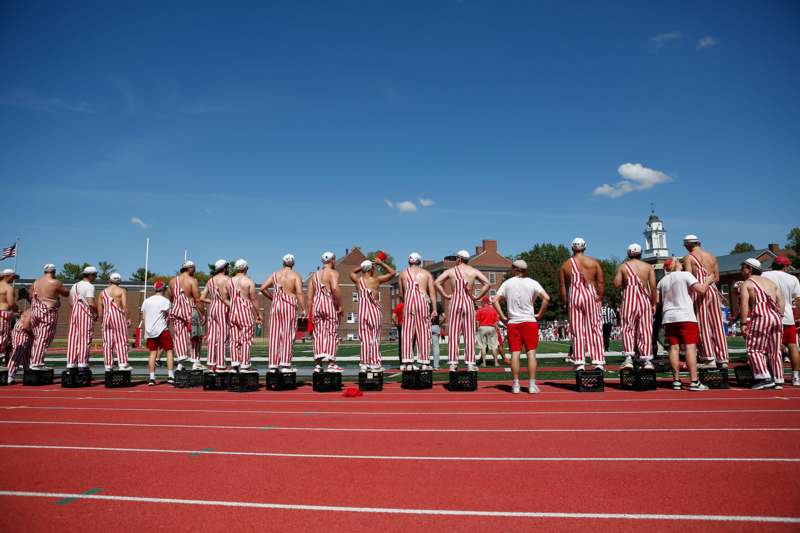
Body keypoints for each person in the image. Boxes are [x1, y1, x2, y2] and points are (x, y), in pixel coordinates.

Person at [493, 259, 550, 394]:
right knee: (531, 353)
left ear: (514, 269)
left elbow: (495, 300)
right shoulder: (533, 283)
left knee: (515, 353)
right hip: (529, 321)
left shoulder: (507, 283)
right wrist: (540, 314)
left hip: (513, 322)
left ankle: (516, 384)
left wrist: (502, 316)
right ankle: (531, 384)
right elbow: (546, 298)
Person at [657, 257, 713, 391]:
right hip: (685, 315)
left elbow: (658, 301)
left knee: (673, 348)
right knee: (690, 348)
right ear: (676, 265)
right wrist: (708, 280)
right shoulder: (686, 275)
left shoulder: (662, 281)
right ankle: (694, 381)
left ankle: (676, 380)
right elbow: (701, 290)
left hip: (669, 316)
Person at [435, 250, 491, 372]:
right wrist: (478, 297)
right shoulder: (473, 271)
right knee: (469, 333)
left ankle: (453, 363)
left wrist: (445, 295)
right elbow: (487, 283)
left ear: (459, 259)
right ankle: (470, 363)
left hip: (455, 301)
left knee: (454, 333)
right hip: (468, 301)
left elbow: (437, 282)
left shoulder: (451, 271)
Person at [683, 235, 729, 369]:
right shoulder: (712, 256)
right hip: (713, 291)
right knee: (717, 325)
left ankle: (708, 357)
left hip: (699, 292)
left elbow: (689, 279)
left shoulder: (689, 258)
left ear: (687, 245)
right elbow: (717, 278)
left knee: (702, 325)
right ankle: (723, 358)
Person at [559, 238, 605, 371]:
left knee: (577, 329)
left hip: (574, 295)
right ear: (585, 248)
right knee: (595, 328)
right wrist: (599, 297)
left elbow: (562, 286)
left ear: (572, 248)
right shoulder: (593, 262)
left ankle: (579, 362)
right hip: (590, 294)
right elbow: (600, 282)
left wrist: (564, 303)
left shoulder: (566, 264)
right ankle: (598, 361)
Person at [740, 258, 785, 390]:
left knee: (754, 349)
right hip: (776, 316)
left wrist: (744, 323)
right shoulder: (770, 282)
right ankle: (778, 378)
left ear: (749, 269)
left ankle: (763, 377)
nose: (741, 270)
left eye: (743, 267)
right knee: (774, 350)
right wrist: (780, 315)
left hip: (761, 315)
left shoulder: (747, 283)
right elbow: (780, 300)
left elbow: (744, 304)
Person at [614, 243, 657, 370]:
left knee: (627, 328)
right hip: (644, 301)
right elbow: (653, 287)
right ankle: (647, 359)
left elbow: (616, 284)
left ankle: (628, 358)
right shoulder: (648, 267)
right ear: (641, 253)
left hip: (629, 300)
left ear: (628, 254)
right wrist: (654, 303)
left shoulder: (624, 266)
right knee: (645, 330)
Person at [262, 254, 306, 372]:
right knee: (288, 334)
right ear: (293, 264)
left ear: (282, 262)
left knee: (275, 335)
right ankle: (286, 365)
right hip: (289, 304)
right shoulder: (295, 275)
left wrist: (272, 298)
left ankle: (273, 365)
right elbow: (300, 292)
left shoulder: (275, 274)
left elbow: (262, 288)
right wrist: (303, 308)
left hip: (276, 304)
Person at [350, 257, 395, 371]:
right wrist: (381, 263)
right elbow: (392, 273)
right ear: (371, 269)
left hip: (362, 311)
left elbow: (352, 272)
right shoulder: (376, 280)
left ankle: (364, 364)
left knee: (364, 339)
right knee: (375, 337)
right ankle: (375, 363)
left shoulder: (358, 280)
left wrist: (364, 265)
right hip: (373, 310)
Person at [762, 255, 800, 386]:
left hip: (769, 315)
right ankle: (796, 377)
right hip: (787, 316)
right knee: (792, 345)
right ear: (785, 266)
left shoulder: (765, 275)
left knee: (772, 347)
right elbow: (798, 299)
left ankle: (775, 375)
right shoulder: (792, 278)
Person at [399, 252, 437, 370]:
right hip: (422, 300)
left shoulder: (402, 274)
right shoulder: (426, 274)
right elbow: (432, 293)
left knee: (407, 332)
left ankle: (408, 362)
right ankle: (425, 362)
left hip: (409, 301)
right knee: (424, 331)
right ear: (419, 261)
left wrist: (408, 301)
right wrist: (434, 309)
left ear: (409, 261)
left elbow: (401, 294)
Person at [307, 251, 343, 372]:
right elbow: (334, 288)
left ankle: (318, 364)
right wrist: (340, 305)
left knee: (318, 334)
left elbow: (309, 295)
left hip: (317, 304)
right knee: (332, 332)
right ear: (332, 260)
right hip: (328, 304)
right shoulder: (333, 273)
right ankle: (331, 363)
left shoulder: (315, 275)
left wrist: (310, 310)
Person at [29, 264, 69, 370]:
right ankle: (36, 363)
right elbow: (66, 293)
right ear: (54, 272)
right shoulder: (55, 282)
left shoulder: (36, 282)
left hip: (35, 311)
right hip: (48, 311)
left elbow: (30, 295)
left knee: (37, 337)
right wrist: (56, 298)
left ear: (44, 271)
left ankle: (35, 361)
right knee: (44, 338)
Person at [168, 260, 205, 371]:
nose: (195, 270)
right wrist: (202, 314)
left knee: (179, 335)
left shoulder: (172, 281)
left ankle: (180, 362)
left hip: (176, 310)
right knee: (195, 335)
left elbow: (170, 297)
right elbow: (197, 299)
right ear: (189, 268)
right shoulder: (192, 280)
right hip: (189, 310)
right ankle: (195, 361)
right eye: (194, 268)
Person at [229, 259, 260, 371]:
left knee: (234, 339)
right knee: (246, 339)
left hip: (233, 312)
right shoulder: (248, 281)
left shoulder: (229, 281)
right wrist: (258, 313)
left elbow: (224, 296)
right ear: (246, 268)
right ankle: (245, 364)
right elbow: (254, 298)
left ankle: (234, 364)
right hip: (245, 311)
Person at [141, 280, 175, 385]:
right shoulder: (165, 301)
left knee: (152, 354)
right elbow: (169, 316)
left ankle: (152, 378)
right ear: (163, 289)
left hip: (150, 330)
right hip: (162, 329)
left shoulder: (147, 301)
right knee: (169, 351)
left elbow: (143, 316)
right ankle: (170, 376)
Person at [201, 259, 232, 372]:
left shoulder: (210, 281)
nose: (228, 268)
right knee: (223, 336)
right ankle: (221, 365)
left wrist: (213, 301)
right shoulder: (227, 279)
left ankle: (211, 364)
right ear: (224, 268)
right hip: (223, 308)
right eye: (227, 267)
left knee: (213, 336)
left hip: (213, 308)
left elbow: (202, 297)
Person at [66, 266, 99, 370]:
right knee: (85, 338)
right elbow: (91, 303)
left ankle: (71, 363)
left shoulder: (74, 285)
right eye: (94, 275)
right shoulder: (89, 286)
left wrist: (76, 307)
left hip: (75, 311)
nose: (95, 277)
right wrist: (97, 313)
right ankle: (82, 363)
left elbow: (70, 301)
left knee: (73, 338)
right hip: (85, 312)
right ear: (90, 275)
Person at [97, 272, 132, 371]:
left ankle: (108, 365)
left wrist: (101, 320)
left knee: (107, 342)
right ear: (119, 281)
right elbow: (124, 306)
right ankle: (122, 364)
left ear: (109, 281)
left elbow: (100, 309)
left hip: (107, 317)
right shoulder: (121, 291)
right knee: (121, 340)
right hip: (118, 316)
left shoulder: (102, 292)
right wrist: (128, 318)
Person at [6, 307, 32, 383]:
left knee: (28, 354)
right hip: (21, 331)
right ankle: (9, 374)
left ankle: (28, 373)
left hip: (27, 332)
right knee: (18, 352)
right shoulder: (33, 310)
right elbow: (26, 325)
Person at [475, 297, 500, 367]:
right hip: (492, 328)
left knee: (483, 347)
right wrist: (496, 328)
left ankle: (484, 363)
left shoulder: (480, 310)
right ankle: (496, 362)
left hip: (482, 328)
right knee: (494, 346)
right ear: (489, 302)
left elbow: (477, 322)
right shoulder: (493, 310)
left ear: (483, 302)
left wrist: (477, 330)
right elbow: (496, 321)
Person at [431, 303, 443, 370]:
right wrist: (439, 323)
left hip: (426, 325)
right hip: (435, 325)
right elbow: (444, 316)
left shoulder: (424, 303)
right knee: (436, 347)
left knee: (425, 346)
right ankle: (436, 366)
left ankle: (425, 364)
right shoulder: (438, 304)